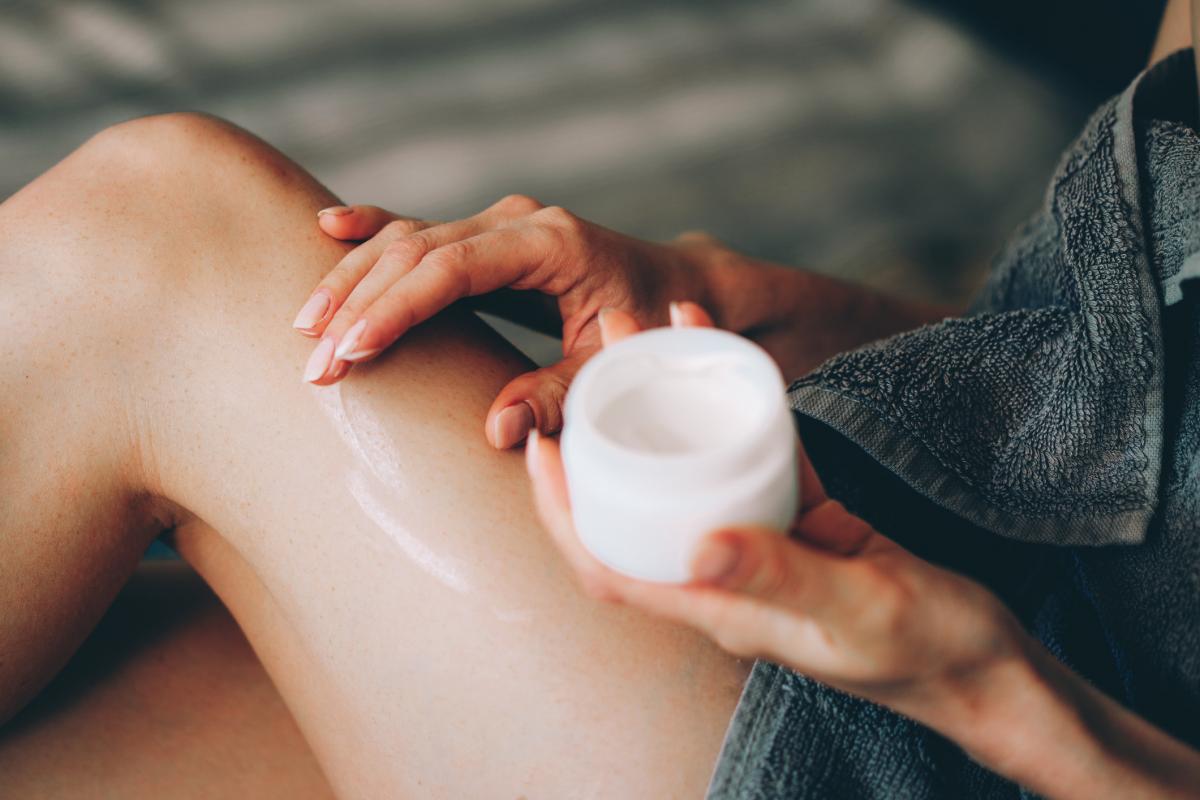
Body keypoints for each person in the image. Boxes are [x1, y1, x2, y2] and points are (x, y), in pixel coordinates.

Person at [2, 3, 1199, 799]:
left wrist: (990, 690)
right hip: (934, 569)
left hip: (979, 731)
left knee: (158, 232)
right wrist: (741, 299)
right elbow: (1129, 354)